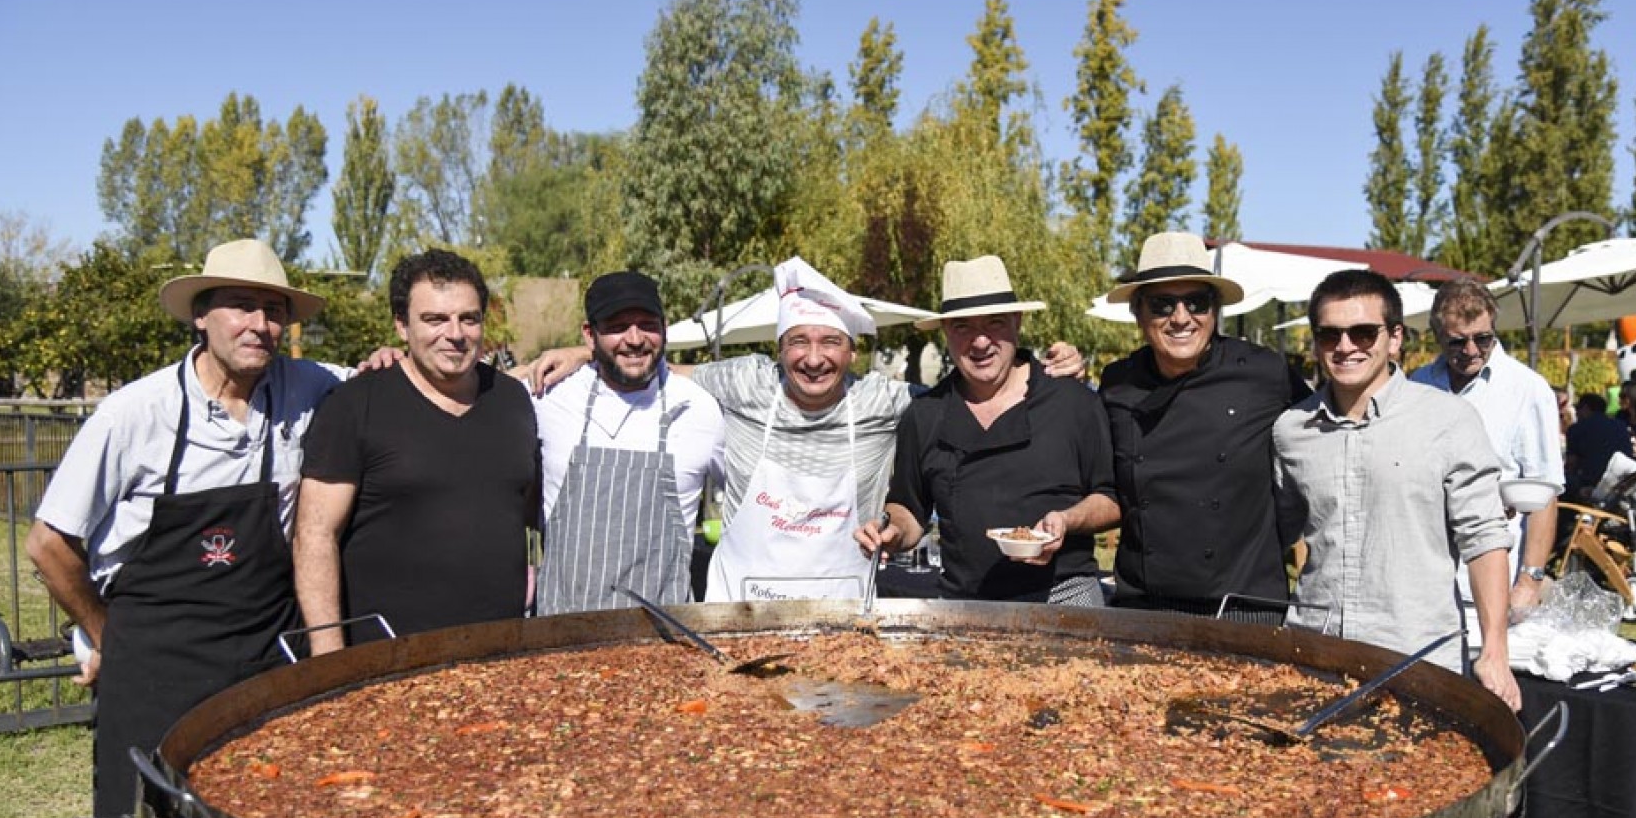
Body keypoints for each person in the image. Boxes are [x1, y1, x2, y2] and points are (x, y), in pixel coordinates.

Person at [26, 239, 342, 818]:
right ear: (200, 316)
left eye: (273, 310)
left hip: (261, 655)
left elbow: (401, 373)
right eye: (241, 306)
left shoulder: (309, 387)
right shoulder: (134, 414)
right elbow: (49, 543)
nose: (259, 324)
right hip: (155, 665)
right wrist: (105, 634)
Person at [526, 258, 1086, 602]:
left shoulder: (885, 400)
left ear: (852, 351)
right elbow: (652, 364)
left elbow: (974, 387)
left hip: (841, 622)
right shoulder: (744, 382)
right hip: (738, 618)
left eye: (830, 343)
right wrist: (586, 354)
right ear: (779, 349)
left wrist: (1037, 369)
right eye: (799, 342)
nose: (814, 358)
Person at [1273, 269, 1520, 710]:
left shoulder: (1448, 420)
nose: (1345, 346)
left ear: (1395, 338)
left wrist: (1495, 651)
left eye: (1363, 333)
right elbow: (1275, 533)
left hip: (1416, 659)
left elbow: (1484, 539)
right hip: (1315, 656)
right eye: (1330, 334)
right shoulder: (1292, 429)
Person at [296, 249, 538, 653]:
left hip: (500, 654)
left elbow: (523, 509)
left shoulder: (512, 400)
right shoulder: (355, 405)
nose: (455, 334)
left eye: (469, 318)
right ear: (401, 325)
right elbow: (315, 535)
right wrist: (328, 657)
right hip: (387, 659)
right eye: (435, 319)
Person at [857, 256, 1120, 606]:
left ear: (1017, 322)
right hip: (965, 603)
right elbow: (909, 506)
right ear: (945, 331)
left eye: (994, 323)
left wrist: (1068, 520)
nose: (980, 342)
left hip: (1064, 596)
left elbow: (1112, 499)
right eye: (963, 326)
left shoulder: (1072, 402)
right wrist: (893, 532)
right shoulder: (925, 414)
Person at [1095, 232, 1310, 614]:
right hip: (1145, 605)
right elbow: (1102, 481)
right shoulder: (1117, 382)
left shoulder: (1264, 372)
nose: (1181, 318)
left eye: (1196, 302)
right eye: (1162, 305)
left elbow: (1323, 441)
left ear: (1214, 311)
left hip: (1244, 606)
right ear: (1138, 313)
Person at [532, 272, 724, 611]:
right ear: (589, 334)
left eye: (647, 325)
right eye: (618, 327)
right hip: (561, 631)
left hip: (664, 632)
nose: (634, 339)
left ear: (664, 328)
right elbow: (470, 385)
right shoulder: (547, 398)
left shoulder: (699, 408)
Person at [1412, 278, 1564, 625]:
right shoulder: (1416, 385)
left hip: (1490, 585)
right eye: (1457, 341)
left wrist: (1529, 581)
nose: (1471, 350)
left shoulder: (1527, 389)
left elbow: (1544, 494)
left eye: (1482, 338)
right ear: (1437, 336)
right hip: (1423, 583)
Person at [1563, 392, 1634, 501]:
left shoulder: (1577, 428)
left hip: (1590, 484)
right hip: (1621, 482)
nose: (1576, 412)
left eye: (1578, 408)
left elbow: (1571, 464)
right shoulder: (1621, 426)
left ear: (1586, 408)